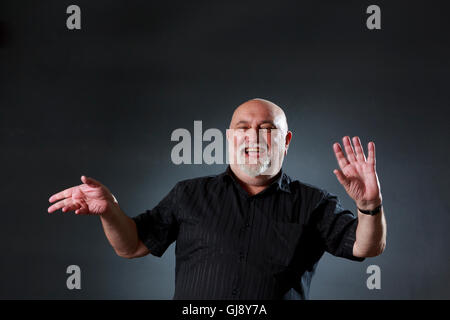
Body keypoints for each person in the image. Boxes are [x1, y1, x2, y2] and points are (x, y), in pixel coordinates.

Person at [48, 98, 386, 299]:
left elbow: (365, 246)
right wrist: (110, 210)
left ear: (286, 141)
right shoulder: (189, 194)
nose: (254, 135)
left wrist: (370, 205)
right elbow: (131, 246)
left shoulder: (313, 203)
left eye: (268, 128)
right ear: (230, 137)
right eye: (243, 127)